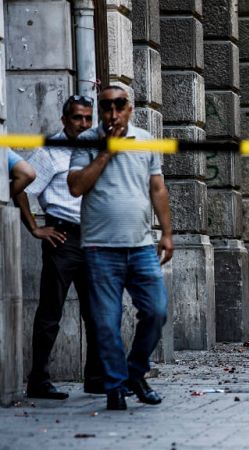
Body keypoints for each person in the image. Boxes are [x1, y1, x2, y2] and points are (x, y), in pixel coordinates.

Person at [68, 85, 173, 410]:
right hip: (100, 249)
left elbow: (157, 187)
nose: (113, 113)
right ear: (101, 110)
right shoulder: (87, 142)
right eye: (107, 107)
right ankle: (115, 386)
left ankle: (135, 373)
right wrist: (106, 153)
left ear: (130, 108)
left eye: (119, 106)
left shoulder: (146, 141)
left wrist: (167, 233)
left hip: (141, 246)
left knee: (156, 311)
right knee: (105, 321)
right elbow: (75, 187)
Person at [17, 95, 104, 400]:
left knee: (97, 313)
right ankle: (38, 381)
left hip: (93, 238)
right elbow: (22, 189)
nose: (83, 124)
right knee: (50, 313)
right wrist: (35, 228)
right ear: (65, 120)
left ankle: (95, 378)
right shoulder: (50, 150)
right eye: (77, 118)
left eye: (88, 118)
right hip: (63, 239)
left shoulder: (95, 145)